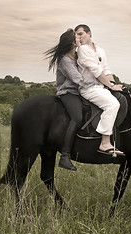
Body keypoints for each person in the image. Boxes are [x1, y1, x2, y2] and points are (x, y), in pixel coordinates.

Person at [75, 24, 125, 156]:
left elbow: (106, 68)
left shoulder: (100, 50)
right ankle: (105, 142)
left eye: (80, 34)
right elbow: (96, 70)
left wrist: (114, 83)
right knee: (112, 104)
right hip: (89, 88)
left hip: (101, 86)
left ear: (89, 33)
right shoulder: (82, 49)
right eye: (76, 35)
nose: (78, 37)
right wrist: (111, 86)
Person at [45, 29, 83, 171]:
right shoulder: (65, 60)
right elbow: (78, 79)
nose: (80, 37)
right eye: (77, 36)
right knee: (77, 118)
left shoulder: (77, 56)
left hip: (80, 92)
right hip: (69, 93)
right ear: (72, 42)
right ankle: (65, 156)